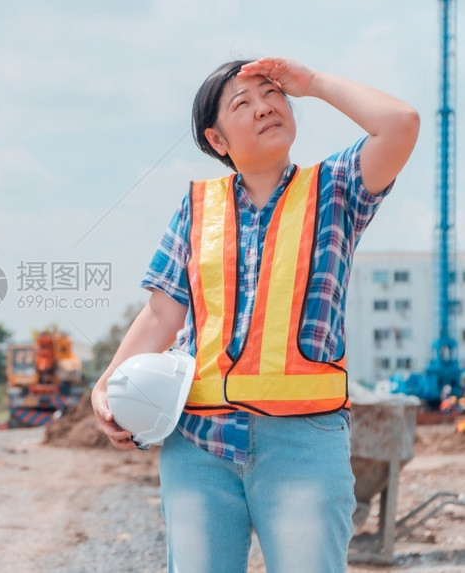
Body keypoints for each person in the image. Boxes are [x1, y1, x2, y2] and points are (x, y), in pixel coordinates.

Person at [92, 57, 419, 573]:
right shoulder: (198, 208)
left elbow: (400, 124)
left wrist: (312, 84)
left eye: (273, 94)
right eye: (243, 103)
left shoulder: (335, 190)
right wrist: (106, 384)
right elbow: (161, 314)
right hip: (198, 446)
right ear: (217, 140)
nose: (265, 107)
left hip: (304, 446)